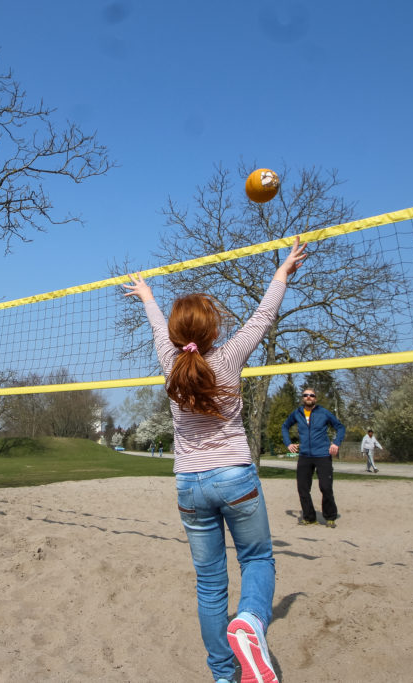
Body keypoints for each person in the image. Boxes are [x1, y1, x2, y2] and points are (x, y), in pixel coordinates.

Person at [123, 237, 307, 683]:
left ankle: (224, 675)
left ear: (175, 336)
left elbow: (155, 328)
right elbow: (263, 316)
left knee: (209, 586)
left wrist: (148, 297)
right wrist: (282, 273)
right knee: (258, 560)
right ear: (213, 331)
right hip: (235, 478)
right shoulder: (229, 357)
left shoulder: (170, 363)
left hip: (189, 485)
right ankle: (249, 625)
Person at [281, 388, 345, 528]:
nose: (308, 397)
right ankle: (309, 518)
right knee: (302, 488)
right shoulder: (297, 413)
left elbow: (340, 427)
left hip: (322, 454)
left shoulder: (324, 413)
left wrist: (336, 443)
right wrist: (288, 443)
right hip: (305, 455)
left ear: (315, 398)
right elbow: (285, 426)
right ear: (302, 398)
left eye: (311, 395)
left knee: (326, 487)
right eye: (306, 395)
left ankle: (330, 517)